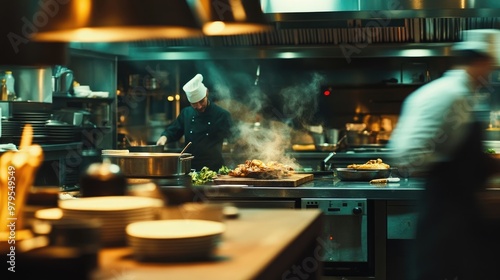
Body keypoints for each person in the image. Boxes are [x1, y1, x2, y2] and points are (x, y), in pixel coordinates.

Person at [388, 40, 500, 280]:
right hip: (444, 204)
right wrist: (451, 174)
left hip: (461, 205)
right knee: (436, 269)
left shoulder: (466, 94)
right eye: (490, 67)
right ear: (479, 62)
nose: (491, 74)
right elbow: (406, 151)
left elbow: (466, 153)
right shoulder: (448, 94)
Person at [156, 73, 234, 171]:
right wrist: (164, 138)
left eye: (201, 101)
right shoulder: (186, 113)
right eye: (194, 104)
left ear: (206, 93)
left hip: (213, 170)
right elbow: (174, 130)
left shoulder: (221, 115)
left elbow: (234, 136)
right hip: (189, 168)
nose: (199, 106)